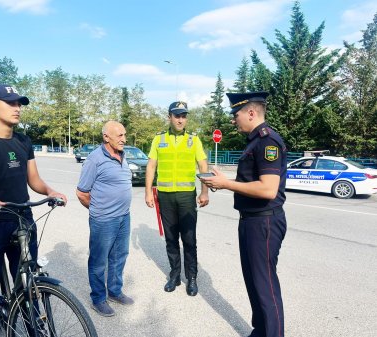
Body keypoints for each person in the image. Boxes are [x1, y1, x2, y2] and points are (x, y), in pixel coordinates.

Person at [0, 84, 68, 337]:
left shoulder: (23, 141)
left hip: (23, 221)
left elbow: (34, 180)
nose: (17, 108)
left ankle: (34, 333)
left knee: (29, 286)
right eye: (11, 103)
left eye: (19, 103)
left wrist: (50, 191)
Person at [200, 92, 287, 337]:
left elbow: (268, 189)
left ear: (251, 112)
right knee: (254, 283)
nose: (233, 120)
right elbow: (251, 181)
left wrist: (227, 184)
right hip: (251, 221)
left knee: (265, 286)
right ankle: (261, 331)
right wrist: (224, 181)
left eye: (235, 114)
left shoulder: (267, 142)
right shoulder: (253, 142)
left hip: (264, 221)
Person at [145, 101, 209, 296]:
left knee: (189, 240)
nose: (181, 119)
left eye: (183, 116)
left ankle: (191, 278)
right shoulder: (159, 139)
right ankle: (174, 275)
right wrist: (148, 191)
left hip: (186, 197)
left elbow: (203, 166)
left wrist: (204, 192)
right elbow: (151, 166)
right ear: (169, 117)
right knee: (171, 239)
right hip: (165, 197)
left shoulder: (194, 140)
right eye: (177, 115)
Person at [76, 120, 134, 317]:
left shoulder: (122, 155)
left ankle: (115, 291)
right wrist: (100, 210)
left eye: (124, 135)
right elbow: (82, 192)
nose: (124, 139)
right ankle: (99, 298)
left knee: (119, 257)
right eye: (120, 135)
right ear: (106, 137)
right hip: (104, 220)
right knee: (99, 261)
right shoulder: (94, 159)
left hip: (124, 217)